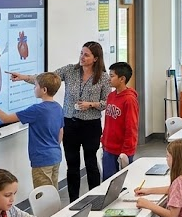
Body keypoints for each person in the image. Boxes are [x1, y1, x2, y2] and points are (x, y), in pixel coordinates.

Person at [9, 41, 110, 201]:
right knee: (72, 164)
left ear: (96, 58)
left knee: (91, 163)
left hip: (91, 125)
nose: (82, 57)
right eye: (81, 53)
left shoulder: (103, 77)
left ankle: (96, 198)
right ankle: (73, 201)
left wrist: (91, 104)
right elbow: (46, 78)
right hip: (70, 123)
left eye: (86, 55)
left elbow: (106, 103)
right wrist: (23, 78)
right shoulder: (70, 70)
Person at [0, 73, 64, 189]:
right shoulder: (58, 107)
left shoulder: (36, 110)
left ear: (44, 90)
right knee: (52, 193)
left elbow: (5, 118)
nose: (34, 88)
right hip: (55, 156)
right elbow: (60, 132)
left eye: (36, 86)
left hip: (42, 160)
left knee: (44, 197)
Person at [100, 61, 139, 181]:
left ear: (122, 79)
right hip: (108, 148)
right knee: (108, 182)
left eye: (112, 76)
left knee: (122, 183)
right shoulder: (111, 96)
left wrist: (126, 152)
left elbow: (131, 127)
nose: (109, 79)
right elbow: (108, 123)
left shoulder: (129, 100)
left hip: (122, 150)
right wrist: (103, 141)